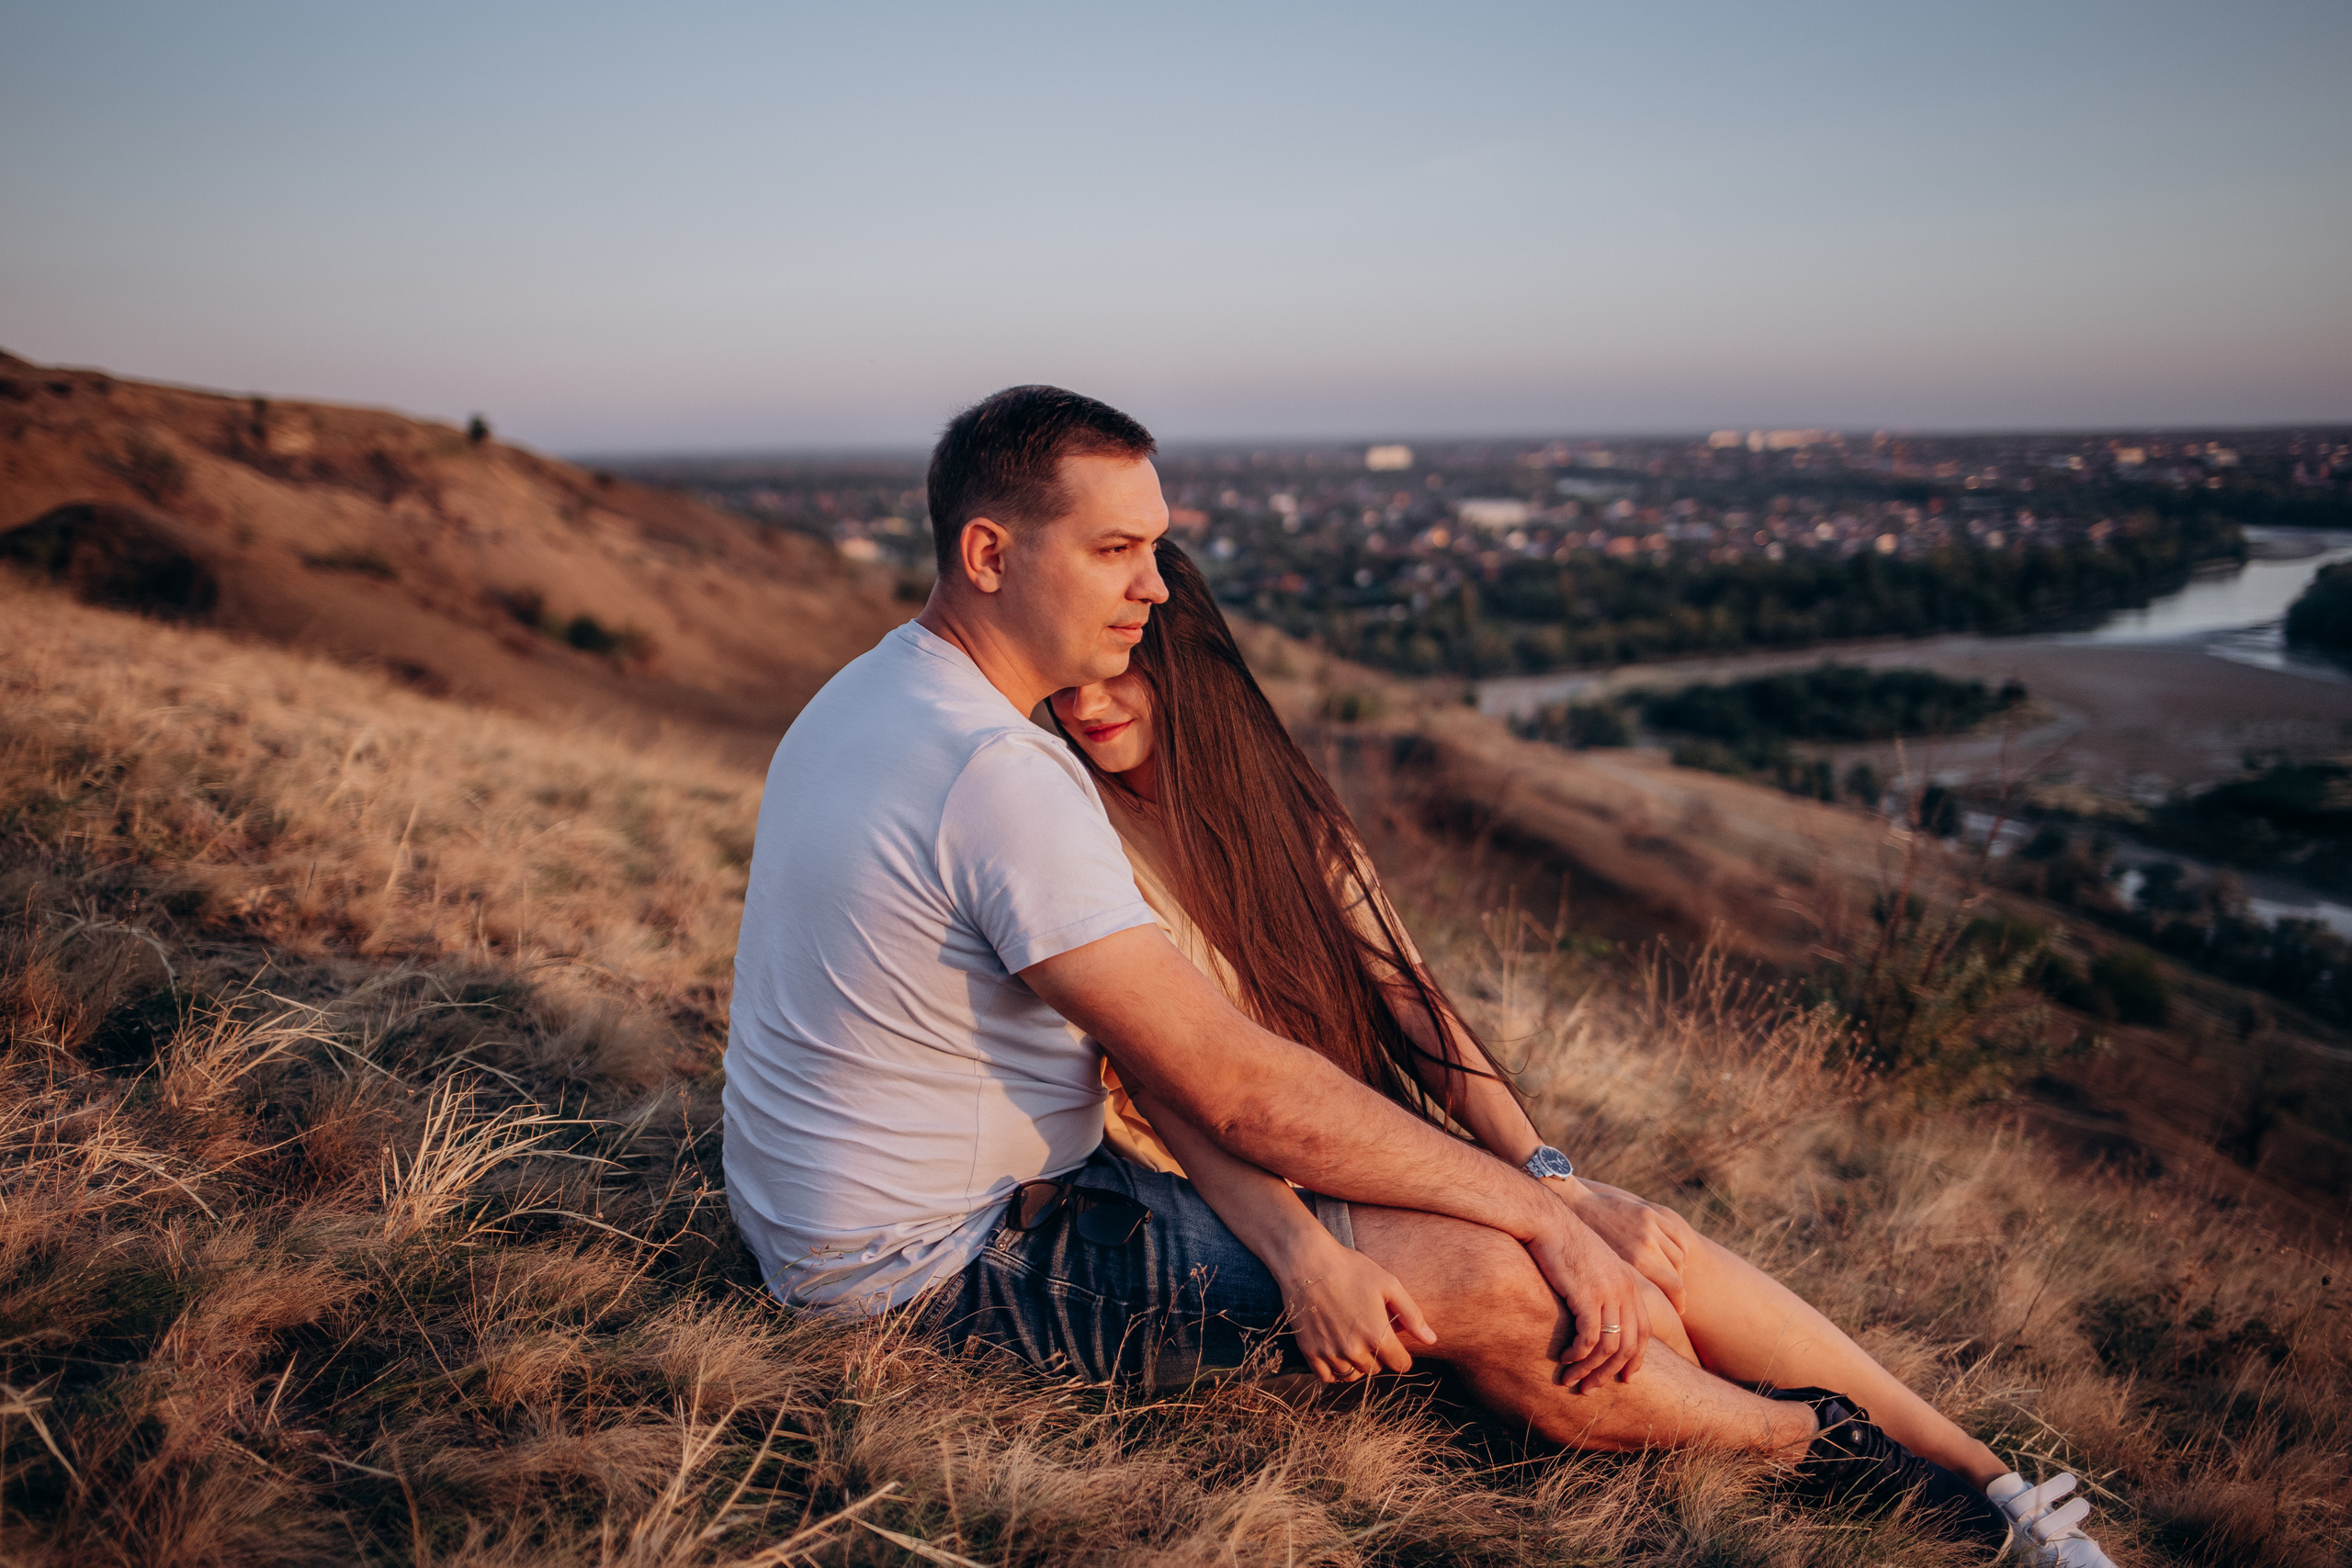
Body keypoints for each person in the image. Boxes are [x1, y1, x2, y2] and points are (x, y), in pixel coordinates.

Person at [722, 385, 2110, 1566]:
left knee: (1584, 1235)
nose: (1153, 583)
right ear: (987, 550)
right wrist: (1529, 1214)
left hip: (878, 1221)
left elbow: (1351, 1019)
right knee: (1515, 1277)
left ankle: (1970, 1468)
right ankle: (1831, 1450)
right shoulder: (1002, 774)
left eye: (1157, 552)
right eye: (1118, 548)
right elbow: (1230, 1087)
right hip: (943, 1269)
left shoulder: (874, 694)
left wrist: (1547, 1178)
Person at [1046, 537, 2120, 1565]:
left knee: (1652, 1247)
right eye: (1069, 682)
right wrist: (1302, 1250)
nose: (1090, 703)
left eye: (1123, 672)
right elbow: (1176, 1089)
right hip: (1224, 1183)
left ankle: (1990, 1484)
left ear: (1187, 667)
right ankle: (1837, 1462)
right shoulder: (1079, 838)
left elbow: (1415, 1004)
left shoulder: (1275, 812)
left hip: (1360, 1149)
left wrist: (1550, 1174)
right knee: (1610, 1309)